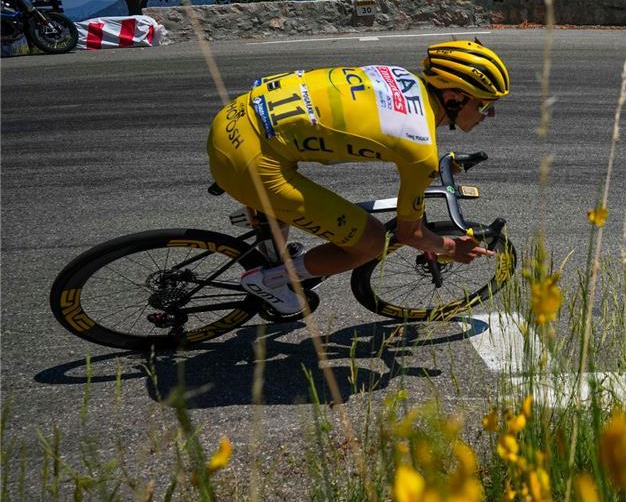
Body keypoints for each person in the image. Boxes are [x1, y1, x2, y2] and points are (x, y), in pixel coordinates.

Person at [206, 38, 509, 315]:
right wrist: (451, 248)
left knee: (293, 196)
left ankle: (268, 223)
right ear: (454, 96)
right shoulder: (419, 150)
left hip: (235, 117)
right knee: (372, 242)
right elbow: (409, 234)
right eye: (485, 104)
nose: (490, 114)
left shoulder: (399, 76)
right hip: (249, 161)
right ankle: (270, 280)